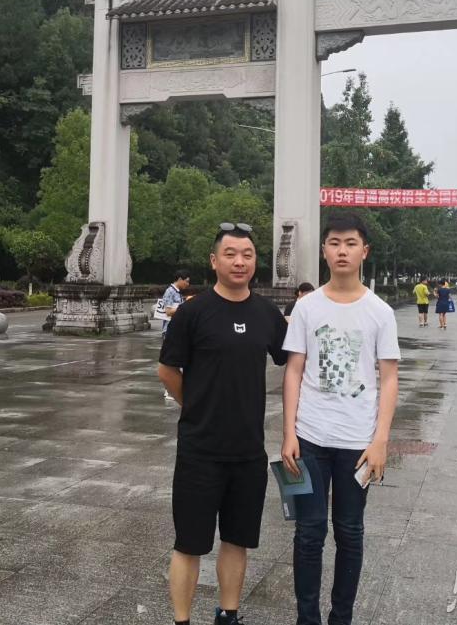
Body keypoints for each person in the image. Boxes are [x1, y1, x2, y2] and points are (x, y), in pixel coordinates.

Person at [158, 222, 288, 625]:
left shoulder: (266, 314)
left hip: (248, 451)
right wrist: (195, 405)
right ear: (214, 261)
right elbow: (167, 370)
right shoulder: (193, 312)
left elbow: (292, 359)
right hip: (200, 450)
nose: (239, 261)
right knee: (189, 543)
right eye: (230, 254)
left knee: (237, 540)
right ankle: (181, 619)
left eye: (247, 255)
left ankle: (228, 615)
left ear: (255, 262)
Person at [281, 213, 400, 625]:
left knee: (349, 531)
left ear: (364, 251)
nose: (342, 251)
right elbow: (294, 370)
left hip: (357, 443)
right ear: (324, 251)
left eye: (350, 243)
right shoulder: (306, 307)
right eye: (334, 243)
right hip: (310, 438)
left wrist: (380, 440)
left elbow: (389, 378)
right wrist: (289, 433)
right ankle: (307, 618)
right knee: (308, 532)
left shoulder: (379, 311)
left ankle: (341, 618)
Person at [161, 270, 191, 400]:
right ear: (179, 279)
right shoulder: (170, 292)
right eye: (186, 281)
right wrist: (186, 306)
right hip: (170, 330)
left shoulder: (177, 292)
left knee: (178, 360)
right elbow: (168, 311)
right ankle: (169, 390)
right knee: (171, 361)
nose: (187, 284)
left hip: (177, 329)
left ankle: (174, 389)